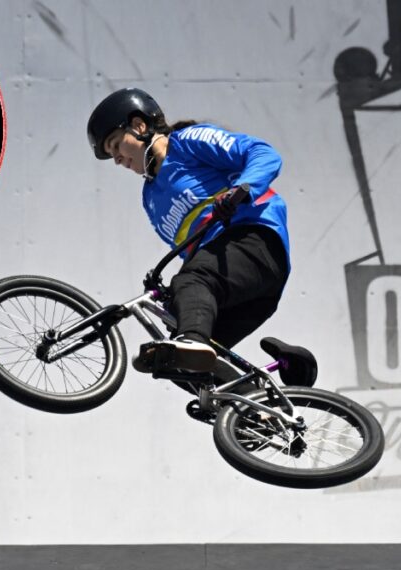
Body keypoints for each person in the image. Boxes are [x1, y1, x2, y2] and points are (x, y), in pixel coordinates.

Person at [87, 87, 291, 374]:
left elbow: (263, 153)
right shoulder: (150, 198)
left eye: (116, 145)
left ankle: (194, 338)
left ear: (139, 126)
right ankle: (276, 382)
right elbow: (193, 252)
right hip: (238, 282)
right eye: (111, 155)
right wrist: (172, 296)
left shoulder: (187, 142)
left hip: (255, 241)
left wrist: (239, 191)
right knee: (179, 365)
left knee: (192, 291)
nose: (117, 160)